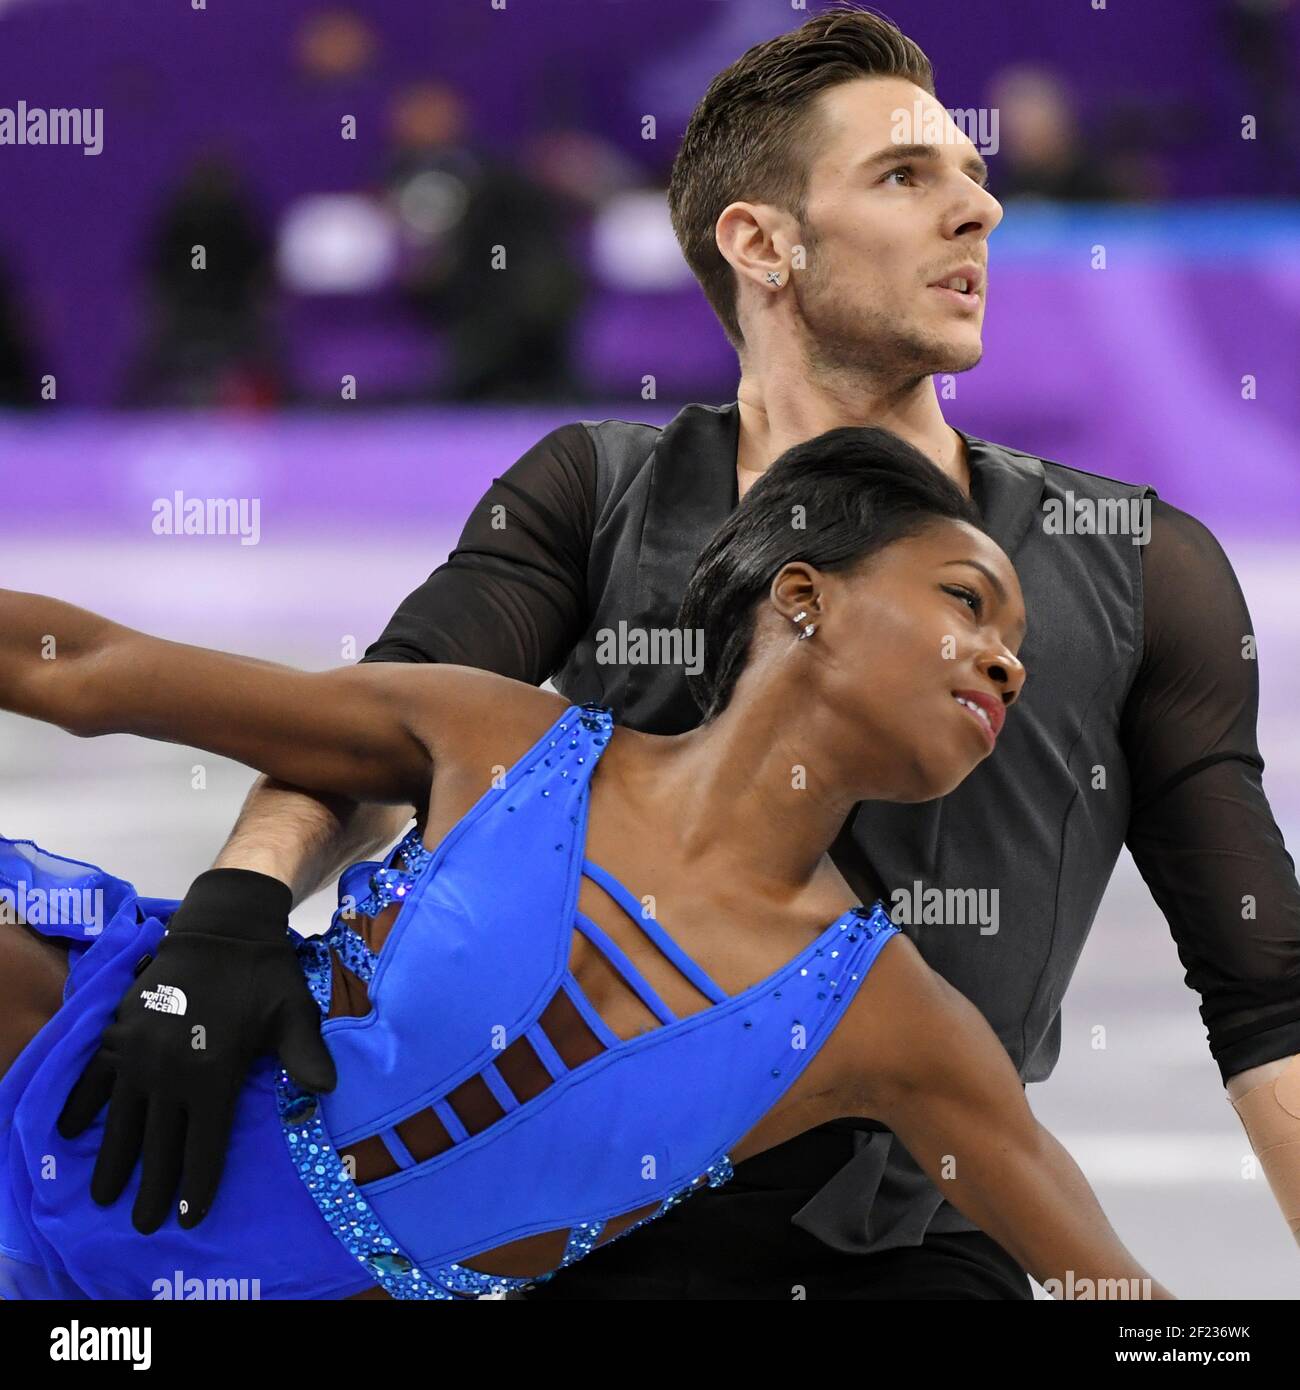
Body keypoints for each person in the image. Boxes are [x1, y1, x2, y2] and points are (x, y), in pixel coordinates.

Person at [55, 8, 1300, 1300]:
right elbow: (369, 725)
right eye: (906, 175)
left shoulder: (1140, 561)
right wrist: (238, 904)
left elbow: (1266, 991)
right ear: (761, 243)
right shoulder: (598, 492)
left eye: (975, 178)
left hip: (923, 1247)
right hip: (573, 1236)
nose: (977, 210)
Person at [1, 429, 1177, 1299]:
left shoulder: (891, 1021)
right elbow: (89, 669)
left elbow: (1116, 1297)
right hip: (76, 1083)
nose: (1006, 664)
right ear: (805, 597)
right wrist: (225, 916)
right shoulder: (498, 736)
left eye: (1017, 648)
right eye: (969, 604)